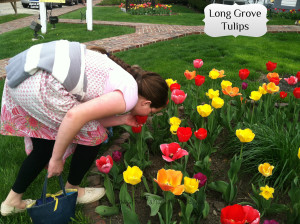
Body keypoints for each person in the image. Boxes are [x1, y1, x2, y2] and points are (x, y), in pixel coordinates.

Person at [0, 40, 168, 216]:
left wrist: (123, 119)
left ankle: (12, 201)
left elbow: (88, 117)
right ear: (147, 102)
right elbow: (75, 116)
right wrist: (57, 159)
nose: (147, 115)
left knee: (45, 145)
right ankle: (73, 189)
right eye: (150, 111)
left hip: (24, 77)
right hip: (43, 87)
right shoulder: (130, 95)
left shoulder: (123, 77)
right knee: (95, 136)